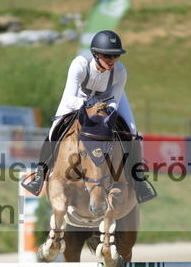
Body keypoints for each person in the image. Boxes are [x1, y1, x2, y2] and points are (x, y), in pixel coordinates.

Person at [21, 30, 156, 203]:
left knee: (132, 131)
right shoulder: (80, 64)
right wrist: (89, 106)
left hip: (108, 100)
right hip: (78, 98)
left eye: (116, 56)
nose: (113, 60)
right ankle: (40, 174)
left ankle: (139, 181)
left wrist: (106, 109)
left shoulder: (120, 71)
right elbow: (70, 98)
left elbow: (115, 100)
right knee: (55, 129)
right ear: (96, 54)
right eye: (108, 56)